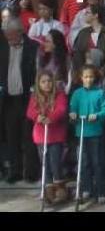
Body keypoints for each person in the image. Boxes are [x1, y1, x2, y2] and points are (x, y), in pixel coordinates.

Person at [0, 19, 39, 183]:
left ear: (20, 32)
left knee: (28, 136)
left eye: (11, 35)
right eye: (6, 36)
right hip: (8, 99)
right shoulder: (3, 47)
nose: (9, 39)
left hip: (26, 98)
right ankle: (14, 171)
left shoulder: (32, 47)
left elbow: (37, 70)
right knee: (12, 136)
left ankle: (30, 172)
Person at [69, 64, 105, 204]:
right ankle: (86, 188)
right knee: (83, 162)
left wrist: (97, 115)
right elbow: (72, 109)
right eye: (86, 77)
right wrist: (73, 114)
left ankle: (100, 191)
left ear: (95, 77)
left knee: (97, 162)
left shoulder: (100, 92)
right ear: (81, 78)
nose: (88, 79)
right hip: (80, 133)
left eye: (91, 76)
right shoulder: (76, 93)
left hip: (95, 133)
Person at [26, 70, 69, 204]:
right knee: (45, 163)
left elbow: (61, 109)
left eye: (49, 81)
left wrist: (51, 118)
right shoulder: (35, 96)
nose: (47, 84)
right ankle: (49, 187)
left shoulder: (59, 95)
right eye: (43, 82)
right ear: (38, 84)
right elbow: (30, 111)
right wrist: (37, 116)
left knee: (55, 162)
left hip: (55, 135)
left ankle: (59, 187)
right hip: (40, 136)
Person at [72, 5, 105, 79]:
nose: (85, 15)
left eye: (87, 12)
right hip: (85, 76)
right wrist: (82, 71)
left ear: (96, 15)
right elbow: (77, 54)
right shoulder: (83, 33)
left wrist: (103, 70)